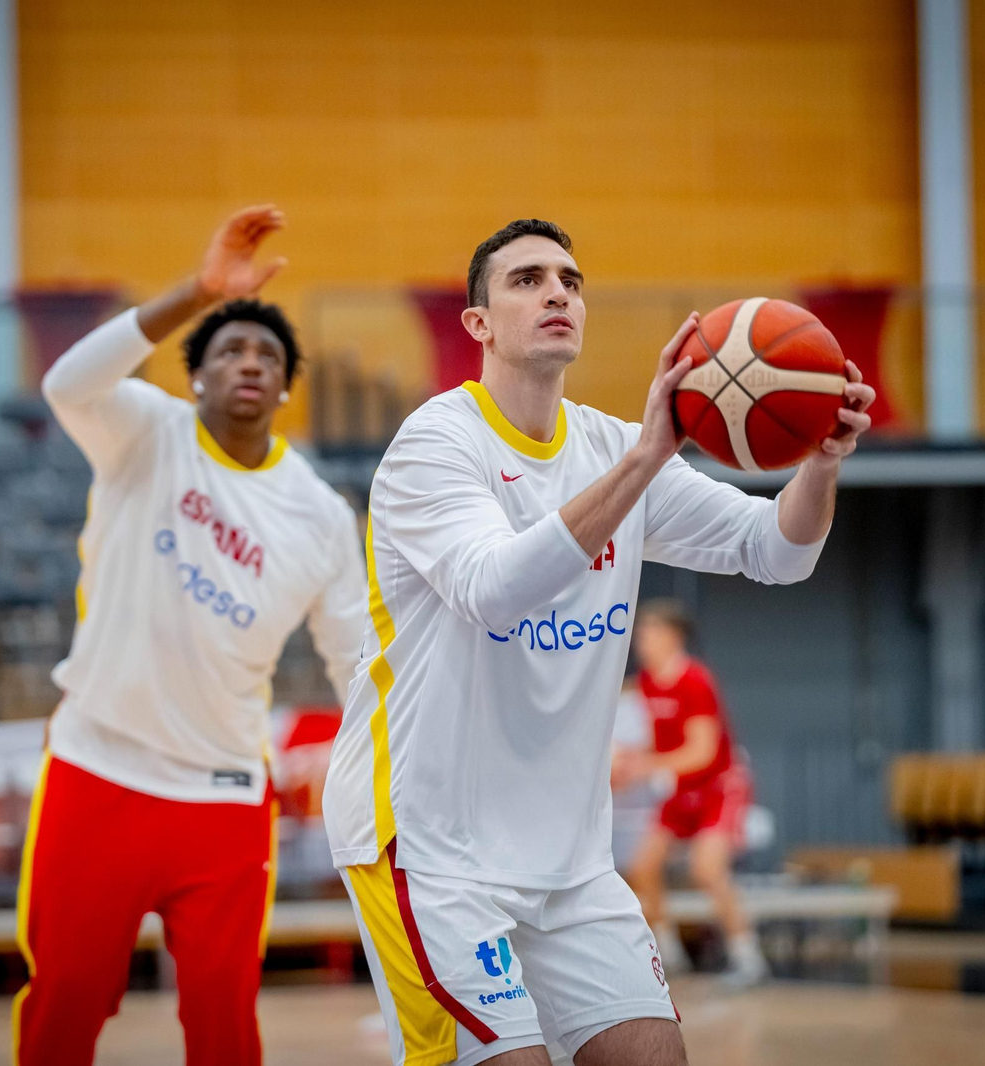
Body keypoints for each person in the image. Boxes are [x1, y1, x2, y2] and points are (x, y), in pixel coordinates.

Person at [323, 219, 873, 1066]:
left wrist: (821, 464)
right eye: (528, 279)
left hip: (569, 861)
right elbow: (494, 586)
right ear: (478, 324)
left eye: (571, 281)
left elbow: (779, 552)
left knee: (656, 1055)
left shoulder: (612, 447)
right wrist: (648, 458)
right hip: (430, 849)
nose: (558, 293)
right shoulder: (435, 444)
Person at [15, 205, 367, 1065]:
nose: (250, 361)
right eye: (229, 349)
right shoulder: (145, 431)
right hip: (97, 772)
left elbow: (359, 659)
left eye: (269, 356)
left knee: (223, 1022)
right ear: (195, 376)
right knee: (65, 1001)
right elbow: (67, 382)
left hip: (221, 800)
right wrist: (202, 290)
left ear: (285, 389)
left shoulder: (319, 513)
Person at [614, 601, 766, 985]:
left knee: (707, 870)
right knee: (642, 868)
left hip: (718, 787)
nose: (640, 641)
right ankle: (668, 954)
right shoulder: (646, 683)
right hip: (681, 791)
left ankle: (747, 956)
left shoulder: (695, 680)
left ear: (673, 636)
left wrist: (643, 767)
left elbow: (702, 752)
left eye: (647, 632)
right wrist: (627, 761)